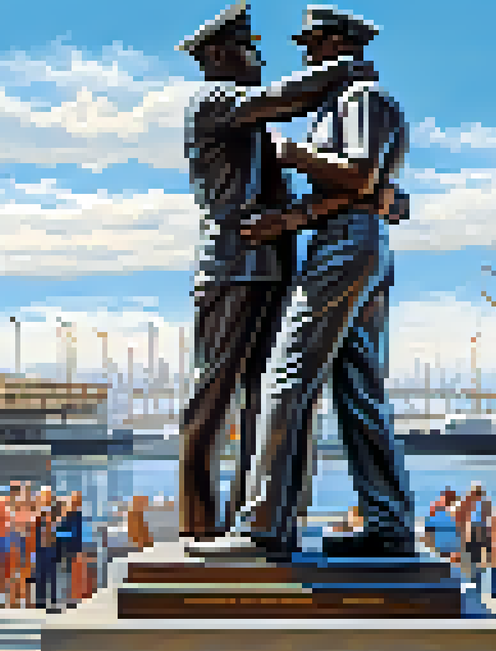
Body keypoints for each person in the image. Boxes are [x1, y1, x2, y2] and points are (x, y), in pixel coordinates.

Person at [177, 1, 381, 545]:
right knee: (213, 398)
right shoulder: (215, 100)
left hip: (272, 267)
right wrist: (344, 69)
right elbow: (281, 98)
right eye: (248, 47)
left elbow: (306, 164)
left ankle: (258, 521)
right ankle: (198, 523)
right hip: (232, 267)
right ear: (219, 55)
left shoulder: (251, 116)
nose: (258, 56)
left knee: (267, 397)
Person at [231, 5, 415, 559]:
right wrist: (290, 220)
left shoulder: (361, 101)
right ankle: (389, 524)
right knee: (359, 391)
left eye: (313, 45)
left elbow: (359, 173)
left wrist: (294, 154)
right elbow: (373, 190)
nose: (307, 55)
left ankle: (263, 524)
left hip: (345, 246)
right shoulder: (354, 103)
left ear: (339, 45)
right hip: (355, 240)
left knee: (286, 377)